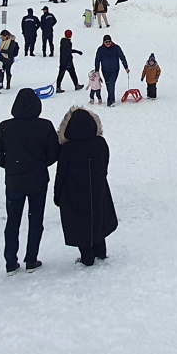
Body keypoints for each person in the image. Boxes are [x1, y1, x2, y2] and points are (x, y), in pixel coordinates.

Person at [0, 89, 60, 272]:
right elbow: (54, 153)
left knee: (13, 221)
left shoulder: (5, 126)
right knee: (36, 220)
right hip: (38, 179)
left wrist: (11, 165)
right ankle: (31, 259)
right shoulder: (45, 126)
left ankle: (11, 262)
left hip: (14, 181)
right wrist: (39, 163)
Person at [54, 108, 117, 266]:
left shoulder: (68, 148)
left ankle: (87, 256)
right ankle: (101, 251)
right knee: (99, 217)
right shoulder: (100, 143)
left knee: (80, 222)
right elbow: (105, 163)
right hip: (98, 187)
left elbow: (61, 172)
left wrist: (58, 194)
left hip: (74, 191)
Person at [94, 34, 129, 106]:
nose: (108, 43)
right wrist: (97, 70)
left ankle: (110, 102)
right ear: (103, 42)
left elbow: (122, 57)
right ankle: (112, 98)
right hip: (105, 70)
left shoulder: (116, 48)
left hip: (114, 70)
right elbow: (97, 60)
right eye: (106, 42)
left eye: (109, 42)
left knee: (111, 84)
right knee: (108, 85)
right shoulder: (100, 49)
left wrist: (126, 67)